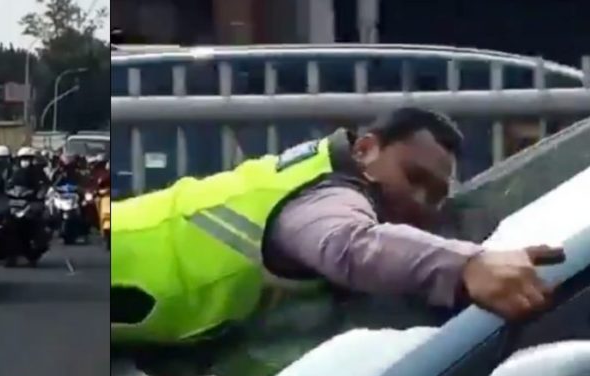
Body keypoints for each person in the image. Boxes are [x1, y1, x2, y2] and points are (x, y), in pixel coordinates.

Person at [111, 107, 565, 345]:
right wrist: (469, 265)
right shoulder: (328, 193)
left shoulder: (320, 176)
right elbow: (354, 247)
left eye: (436, 193)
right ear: (366, 149)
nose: (421, 201)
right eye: (414, 178)